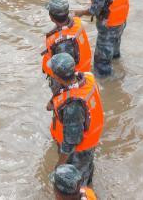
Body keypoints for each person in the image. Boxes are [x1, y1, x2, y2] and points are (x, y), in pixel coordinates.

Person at [45, 52, 104, 187]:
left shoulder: (72, 106)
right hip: (90, 138)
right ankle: (88, 185)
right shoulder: (87, 78)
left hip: (79, 150)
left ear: (57, 77)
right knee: (87, 170)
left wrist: (59, 166)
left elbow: (72, 141)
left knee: (76, 184)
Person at [42, 0, 92, 84]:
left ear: (51, 17)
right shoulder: (76, 21)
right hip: (84, 69)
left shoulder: (60, 43)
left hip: (69, 79)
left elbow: (64, 71)